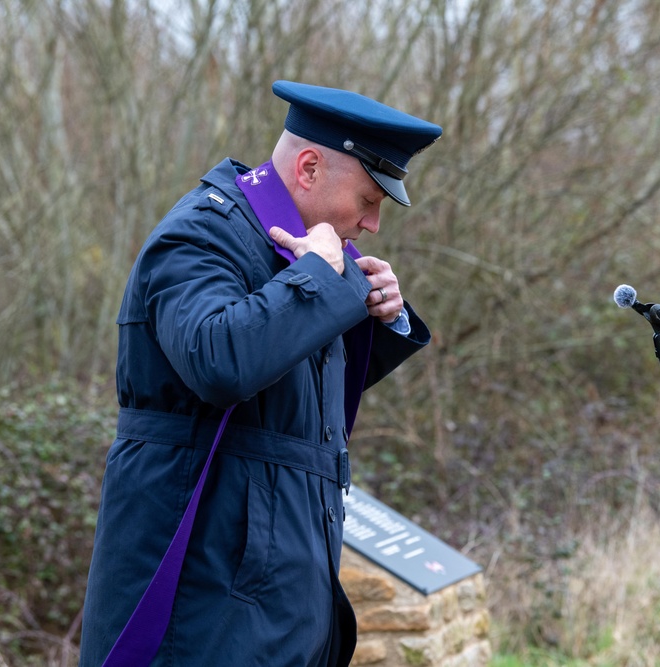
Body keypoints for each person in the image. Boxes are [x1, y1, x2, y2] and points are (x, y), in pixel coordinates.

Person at [79, 81, 442, 666]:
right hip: (203, 611)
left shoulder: (305, 255)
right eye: (370, 199)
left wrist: (378, 315)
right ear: (307, 167)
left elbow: (291, 406)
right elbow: (219, 363)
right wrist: (322, 283)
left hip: (279, 605)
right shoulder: (202, 233)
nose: (373, 224)